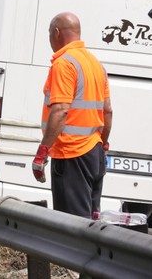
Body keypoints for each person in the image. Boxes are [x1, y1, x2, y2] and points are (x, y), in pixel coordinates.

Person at [32, 11, 113, 218]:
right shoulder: (96, 64)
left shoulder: (64, 63)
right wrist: (103, 145)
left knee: (71, 226)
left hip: (71, 154)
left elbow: (60, 110)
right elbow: (108, 112)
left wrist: (42, 152)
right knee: (90, 222)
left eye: (49, 34)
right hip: (94, 153)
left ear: (56, 33)